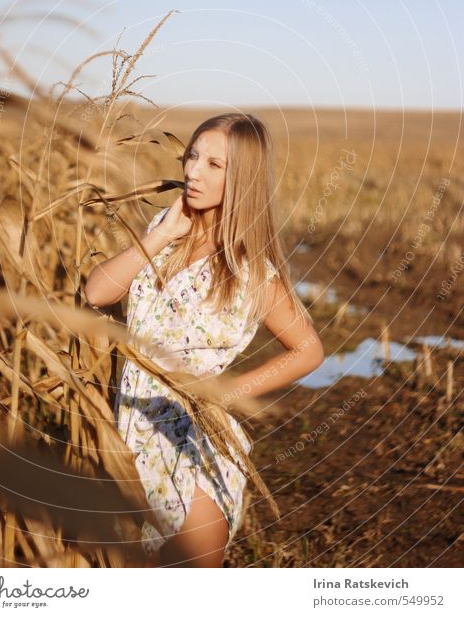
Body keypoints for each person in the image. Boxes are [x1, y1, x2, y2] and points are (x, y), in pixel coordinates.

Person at [84, 113, 324, 567]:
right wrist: (163, 235)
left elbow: (309, 349)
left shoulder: (249, 271)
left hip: (193, 445)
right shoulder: (165, 228)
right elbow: (97, 293)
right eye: (193, 155)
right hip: (128, 435)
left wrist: (225, 394)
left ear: (242, 180)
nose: (193, 171)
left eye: (215, 164)